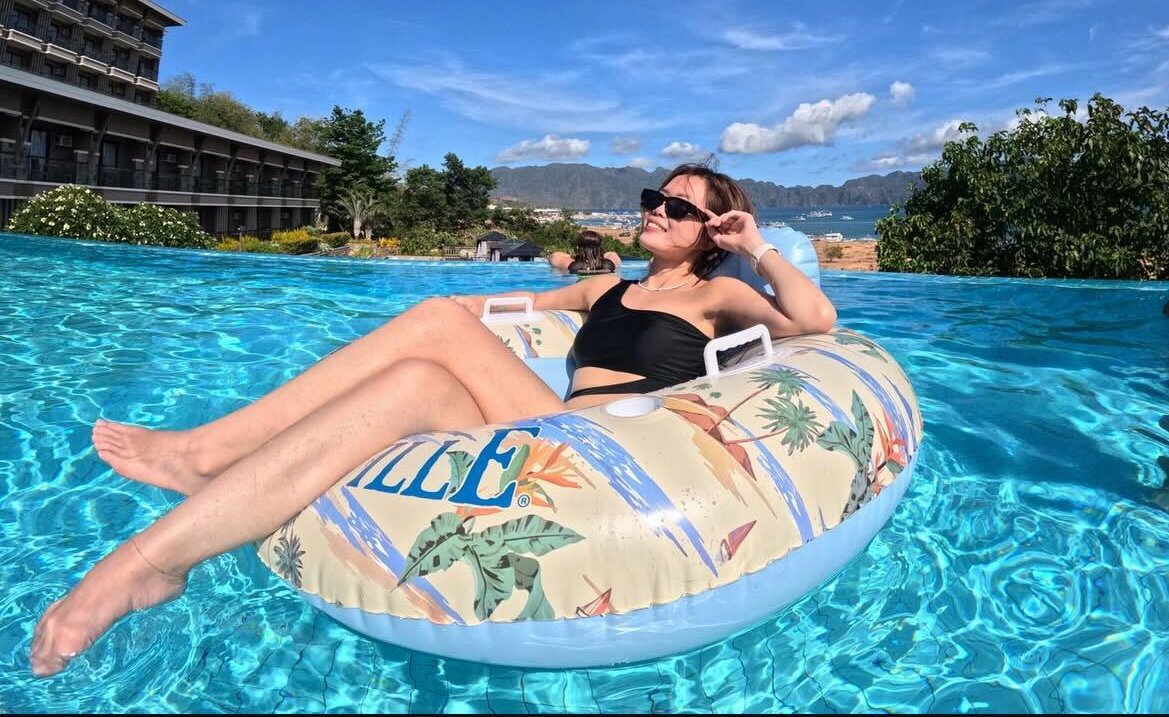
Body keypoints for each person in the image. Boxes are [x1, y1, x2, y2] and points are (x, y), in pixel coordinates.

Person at [29, 163, 837, 677]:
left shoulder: (719, 293)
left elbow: (815, 321)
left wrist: (753, 243)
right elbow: (515, 308)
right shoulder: (606, 287)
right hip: (548, 426)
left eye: (680, 207)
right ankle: (157, 558)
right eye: (654, 197)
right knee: (418, 367)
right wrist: (453, 310)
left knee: (433, 328)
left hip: (609, 450)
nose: (657, 209)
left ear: (710, 230)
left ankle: (199, 460)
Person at [548, 229, 622, 275]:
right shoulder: (609, 265)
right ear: (600, 248)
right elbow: (612, 254)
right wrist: (599, 256)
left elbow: (554, 256)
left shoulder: (573, 265)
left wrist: (574, 257)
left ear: (578, 247)